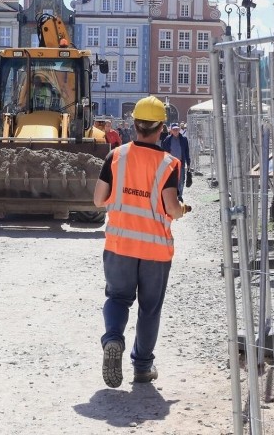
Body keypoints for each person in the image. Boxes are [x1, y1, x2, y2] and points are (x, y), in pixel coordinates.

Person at [93, 95, 190, 388]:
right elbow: (172, 208)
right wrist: (183, 210)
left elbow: (98, 199)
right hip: (155, 250)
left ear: (134, 124)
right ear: (161, 128)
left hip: (119, 245)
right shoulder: (169, 164)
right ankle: (143, 367)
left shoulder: (116, 156)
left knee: (117, 299)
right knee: (149, 308)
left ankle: (113, 338)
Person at [161, 123, 191, 201]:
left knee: (181, 180)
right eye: (174, 130)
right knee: (172, 180)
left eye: (177, 129)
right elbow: (164, 151)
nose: (176, 131)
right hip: (171, 164)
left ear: (179, 130)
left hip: (181, 163)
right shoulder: (167, 140)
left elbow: (187, 151)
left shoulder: (184, 139)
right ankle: (174, 195)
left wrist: (188, 163)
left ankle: (180, 195)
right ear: (171, 130)